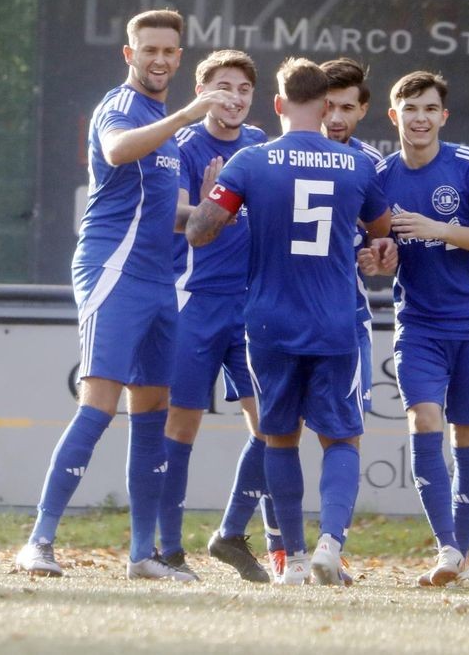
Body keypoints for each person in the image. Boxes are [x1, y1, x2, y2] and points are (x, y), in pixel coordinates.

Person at [14, 10, 237, 581]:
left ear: (179, 56)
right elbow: (115, 151)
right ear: (129, 53)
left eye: (169, 51)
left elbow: (172, 218)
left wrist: (216, 205)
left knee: (151, 414)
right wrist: (188, 115)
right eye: (149, 50)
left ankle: (142, 556)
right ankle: (38, 541)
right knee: (98, 406)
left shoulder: (165, 123)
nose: (159, 59)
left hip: (159, 283)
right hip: (111, 273)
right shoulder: (121, 107)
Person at [186, 57, 391, 586]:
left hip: (269, 323)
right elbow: (382, 231)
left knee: (278, 438)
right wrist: (376, 252)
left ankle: (294, 560)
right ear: (326, 108)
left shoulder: (250, 163)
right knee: (342, 438)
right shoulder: (359, 165)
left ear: (277, 105)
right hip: (334, 321)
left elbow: (199, 232)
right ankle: (331, 544)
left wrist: (218, 196)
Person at [376, 71, 469, 587]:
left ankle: (459, 553)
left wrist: (438, 230)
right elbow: (377, 246)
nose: (421, 118)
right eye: (411, 109)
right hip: (418, 326)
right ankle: (447, 550)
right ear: (395, 116)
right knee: (424, 422)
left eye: (430, 109)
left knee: (468, 433)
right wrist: (378, 255)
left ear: (443, 116)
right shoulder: (382, 177)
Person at [157, 50, 272, 583]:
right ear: (202, 92)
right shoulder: (182, 145)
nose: (234, 98)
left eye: (243, 89)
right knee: (181, 424)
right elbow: (175, 218)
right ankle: (167, 547)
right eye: (223, 87)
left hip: (252, 306)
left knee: (271, 424)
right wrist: (207, 208)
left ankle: (232, 534)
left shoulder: (261, 147)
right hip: (196, 301)